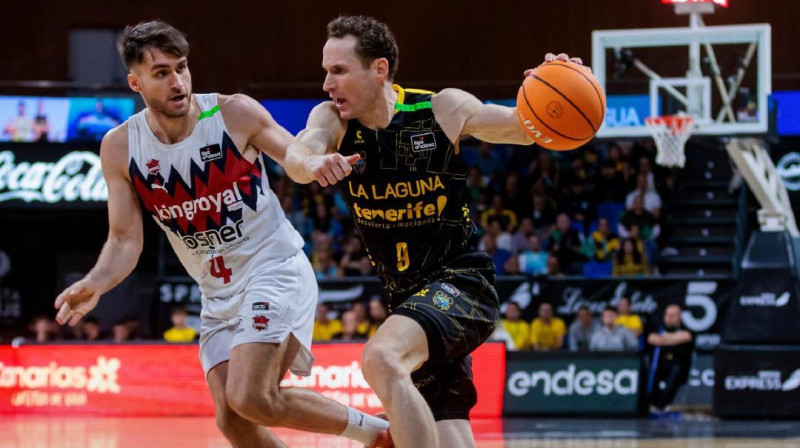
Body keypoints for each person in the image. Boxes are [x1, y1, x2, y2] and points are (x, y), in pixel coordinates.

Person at [53, 20, 389, 448]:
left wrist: (315, 165)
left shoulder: (232, 112)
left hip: (274, 269)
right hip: (217, 294)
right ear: (135, 81)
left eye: (182, 67)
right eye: (162, 73)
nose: (178, 82)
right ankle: (381, 435)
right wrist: (95, 282)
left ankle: (381, 434)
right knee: (233, 420)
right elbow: (124, 241)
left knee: (252, 394)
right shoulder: (121, 147)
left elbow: (295, 156)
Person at [284, 15, 587, 448]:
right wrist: (313, 163)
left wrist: (558, 88)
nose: (327, 84)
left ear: (380, 69)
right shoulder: (332, 121)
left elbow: (527, 129)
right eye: (325, 71)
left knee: (382, 359)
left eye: (339, 70)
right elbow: (300, 152)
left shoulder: (441, 109)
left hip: (462, 286)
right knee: (448, 433)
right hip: (408, 302)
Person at [647, 304, 694, 412]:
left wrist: (663, 339)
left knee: (676, 371)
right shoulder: (658, 327)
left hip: (679, 366)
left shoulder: (686, 329)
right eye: (667, 315)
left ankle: (661, 405)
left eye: (673, 315)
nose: (669, 318)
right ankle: (652, 403)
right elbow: (652, 339)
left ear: (679, 317)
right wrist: (674, 340)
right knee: (651, 370)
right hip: (659, 365)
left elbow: (686, 337)